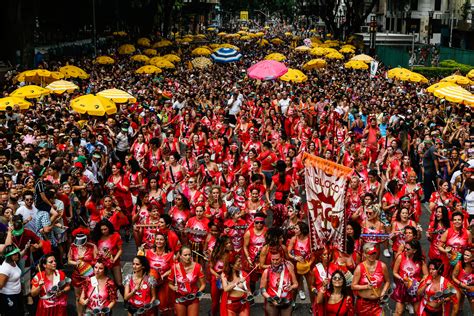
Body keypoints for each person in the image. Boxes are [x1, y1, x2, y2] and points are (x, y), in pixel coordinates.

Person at [351, 243, 391, 315]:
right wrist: (366, 286)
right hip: (363, 304)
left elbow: (387, 281)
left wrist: (383, 292)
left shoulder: (382, 266)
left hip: (377, 303)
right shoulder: (360, 268)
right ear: (365, 254)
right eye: (370, 254)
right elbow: (353, 286)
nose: (372, 256)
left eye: (374, 253)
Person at [392, 240, 428, 315]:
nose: (405, 250)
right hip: (402, 287)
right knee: (398, 312)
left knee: (417, 312)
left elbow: (426, 275)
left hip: (415, 288)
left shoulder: (421, 260)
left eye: (408, 249)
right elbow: (394, 272)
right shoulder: (400, 257)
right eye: (405, 248)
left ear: (414, 251)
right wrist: (402, 279)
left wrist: (419, 283)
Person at [67, 228, 98, 316]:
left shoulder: (92, 247)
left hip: (89, 275)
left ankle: (89, 313)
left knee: (90, 296)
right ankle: (80, 314)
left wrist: (87, 264)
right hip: (77, 275)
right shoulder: (73, 247)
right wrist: (76, 263)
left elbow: (96, 261)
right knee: (78, 297)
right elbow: (69, 260)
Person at [168, 246, 206, 316]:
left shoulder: (197, 267)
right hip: (180, 298)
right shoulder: (174, 267)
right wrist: (173, 288)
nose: (188, 257)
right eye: (185, 255)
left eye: (189, 254)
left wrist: (198, 293)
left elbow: (203, 284)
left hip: (193, 298)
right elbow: (170, 283)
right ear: (180, 255)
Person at [260, 250, 298, 316]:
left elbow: (296, 284)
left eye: (277, 259)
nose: (275, 262)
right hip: (272, 303)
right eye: (273, 259)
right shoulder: (267, 271)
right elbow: (262, 290)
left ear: (282, 258)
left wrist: (291, 287)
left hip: (286, 301)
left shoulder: (288, 268)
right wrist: (271, 299)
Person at [92, 219, 124, 296]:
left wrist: (114, 259)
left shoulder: (116, 235)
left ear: (109, 228)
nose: (103, 231)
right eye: (102, 230)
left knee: (119, 283)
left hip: (114, 261)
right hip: (102, 263)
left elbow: (120, 250)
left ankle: (126, 300)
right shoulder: (98, 237)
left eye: (105, 229)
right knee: (102, 283)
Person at [145, 232, 174, 316]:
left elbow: (174, 268)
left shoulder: (170, 254)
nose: (159, 241)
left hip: (164, 283)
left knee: (164, 307)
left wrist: (164, 274)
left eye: (161, 239)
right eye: (157, 239)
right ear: (154, 241)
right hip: (151, 284)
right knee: (151, 306)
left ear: (165, 241)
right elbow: (145, 267)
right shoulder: (149, 253)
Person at [220, 252, 251, 316]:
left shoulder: (244, 274)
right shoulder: (225, 275)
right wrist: (237, 282)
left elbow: (248, 289)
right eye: (238, 262)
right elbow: (225, 289)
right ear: (231, 265)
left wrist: (249, 293)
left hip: (243, 303)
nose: (241, 265)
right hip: (230, 305)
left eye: (240, 262)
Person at [0, 245, 23, 315]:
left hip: (17, 293)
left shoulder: (13, 261)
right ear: (9, 256)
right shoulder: (5, 269)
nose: (17, 255)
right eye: (14, 254)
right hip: (9, 295)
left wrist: (26, 248)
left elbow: (21, 255)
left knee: (20, 312)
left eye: (17, 253)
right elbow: (0, 285)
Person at [452, 248, 474, 314]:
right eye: (464, 254)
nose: (465, 256)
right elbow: (453, 277)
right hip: (458, 286)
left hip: (469, 288)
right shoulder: (459, 264)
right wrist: (461, 284)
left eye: (467, 255)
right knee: (456, 308)